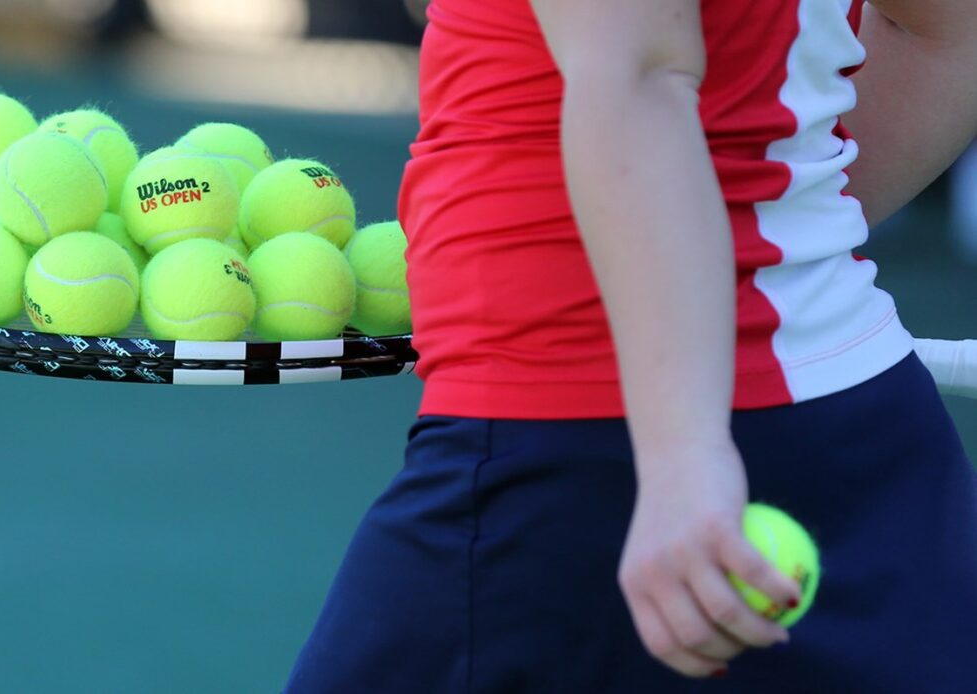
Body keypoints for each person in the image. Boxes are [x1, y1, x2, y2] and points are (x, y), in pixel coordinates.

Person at [286, 0, 977, 690]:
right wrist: (784, 239)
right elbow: (942, 29)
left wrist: (683, 458)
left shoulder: (641, 460)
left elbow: (640, 73)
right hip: (858, 421)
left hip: (585, 446)